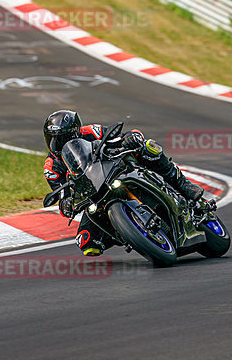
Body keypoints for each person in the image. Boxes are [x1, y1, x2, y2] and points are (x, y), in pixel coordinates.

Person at [43, 109, 205, 256]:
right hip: (94, 192)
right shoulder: (51, 167)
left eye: (63, 138)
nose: (58, 143)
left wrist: (130, 138)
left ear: (75, 132)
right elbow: (61, 192)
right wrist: (66, 204)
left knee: (148, 147)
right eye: (53, 139)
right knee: (87, 242)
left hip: (114, 168)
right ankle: (125, 231)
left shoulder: (91, 131)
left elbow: (117, 136)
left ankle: (183, 184)